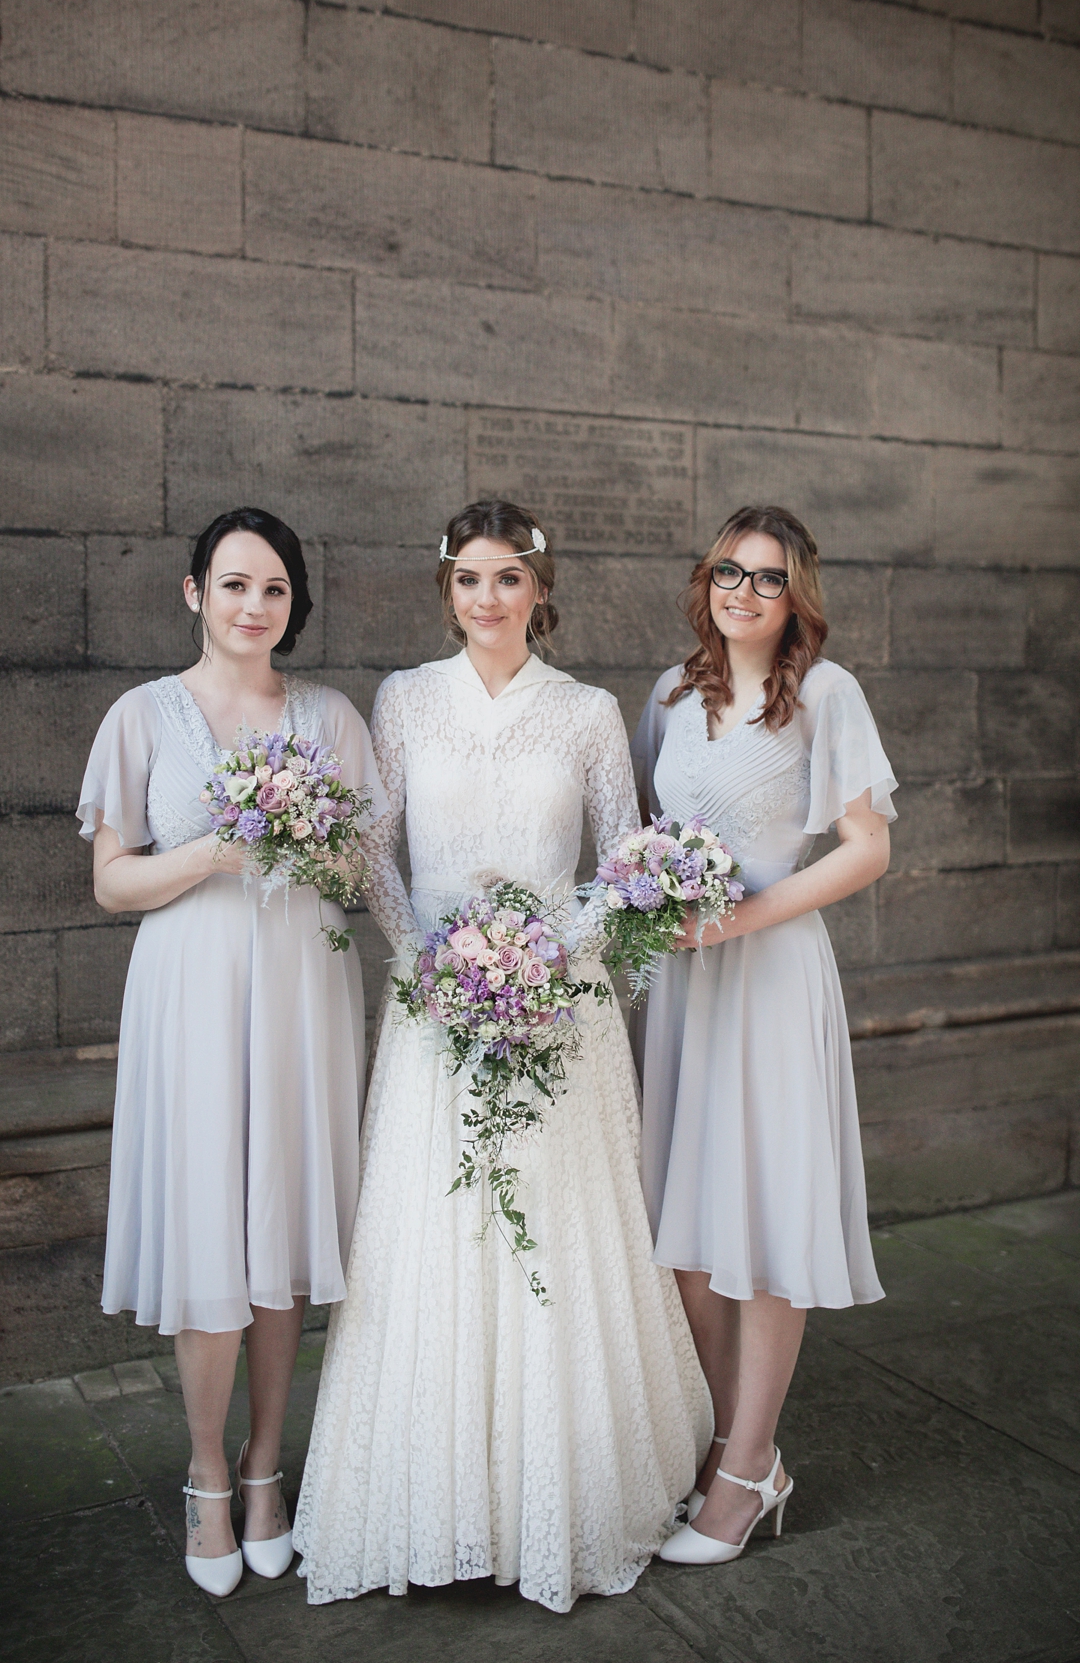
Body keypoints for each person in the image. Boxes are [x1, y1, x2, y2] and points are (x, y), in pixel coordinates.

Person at [293, 501, 713, 1615]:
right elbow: (373, 852)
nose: (488, 599)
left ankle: (555, 1498)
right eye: (469, 580)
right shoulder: (403, 700)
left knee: (551, 1241)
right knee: (437, 1238)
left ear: (540, 588)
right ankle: (439, 1501)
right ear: (448, 591)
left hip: (554, 1012)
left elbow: (622, 860)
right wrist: (434, 963)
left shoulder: (584, 712)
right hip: (436, 1009)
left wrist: (535, 957)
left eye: (508, 579)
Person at [76, 506, 386, 1598]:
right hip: (191, 990)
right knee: (212, 1225)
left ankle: (267, 1466)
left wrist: (316, 839)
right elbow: (114, 881)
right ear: (194, 591)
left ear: (293, 607)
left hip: (303, 983)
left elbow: (362, 877)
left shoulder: (334, 719)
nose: (255, 606)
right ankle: (206, 1473)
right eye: (235, 584)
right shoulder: (142, 717)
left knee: (280, 1225)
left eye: (275, 590)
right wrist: (216, 847)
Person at [630, 505, 896, 1567]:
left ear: (798, 597)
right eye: (728, 572)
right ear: (706, 580)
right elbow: (654, 835)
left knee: (767, 1223)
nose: (742, 591)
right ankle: (728, 1445)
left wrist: (737, 917)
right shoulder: (667, 693)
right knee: (688, 1238)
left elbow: (865, 848)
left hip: (772, 974)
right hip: (687, 988)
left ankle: (746, 1473)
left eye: (767, 578)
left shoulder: (828, 696)